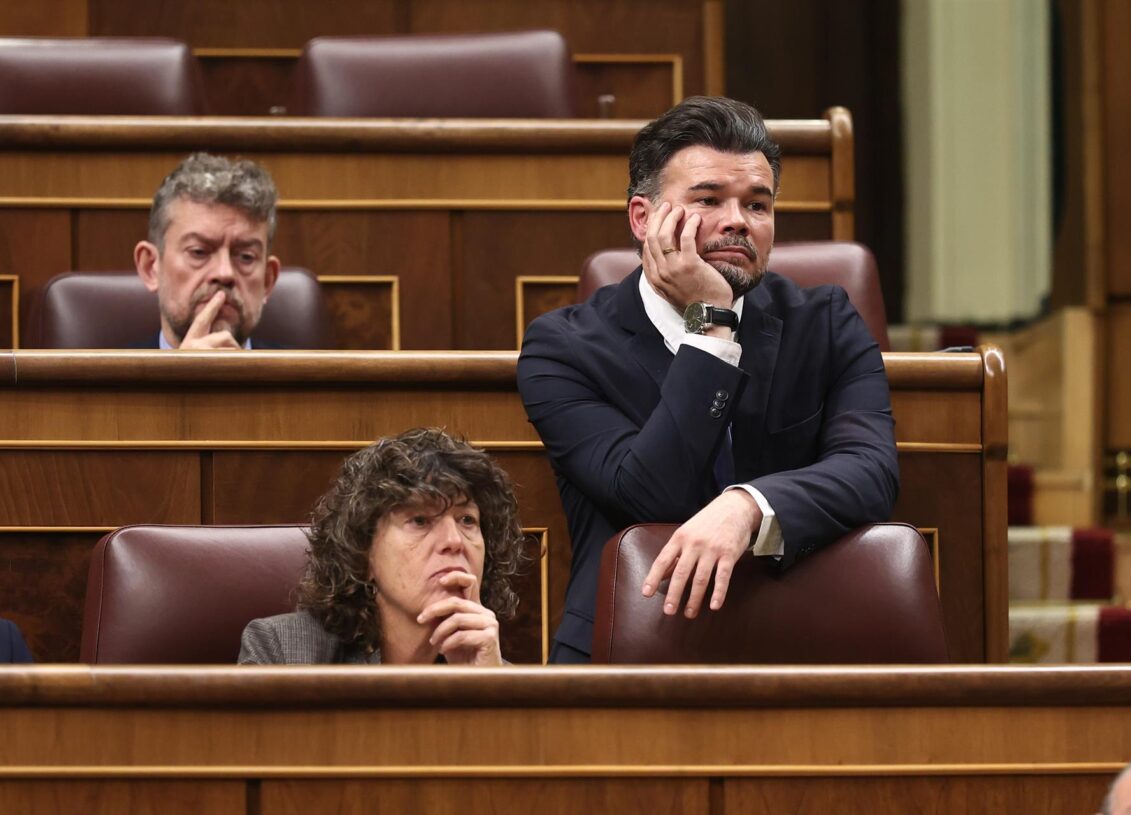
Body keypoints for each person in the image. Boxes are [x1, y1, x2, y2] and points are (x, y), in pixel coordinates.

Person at [517, 96, 899, 663]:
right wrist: (712, 325)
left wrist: (748, 506)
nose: (738, 221)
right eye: (708, 200)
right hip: (626, 650)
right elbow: (648, 494)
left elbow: (872, 471)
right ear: (644, 219)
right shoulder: (562, 347)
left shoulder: (826, 322)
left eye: (758, 204)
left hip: (798, 640)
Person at [239, 428, 525, 665]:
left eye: (467, 520)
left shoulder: (494, 670)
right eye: (420, 520)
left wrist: (485, 691)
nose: (454, 541)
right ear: (363, 554)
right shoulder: (284, 652)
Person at [134, 152, 281, 349]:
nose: (224, 273)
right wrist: (175, 377)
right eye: (199, 252)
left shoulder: (309, 378)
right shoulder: (102, 377)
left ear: (267, 280)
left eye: (246, 257)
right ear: (151, 267)